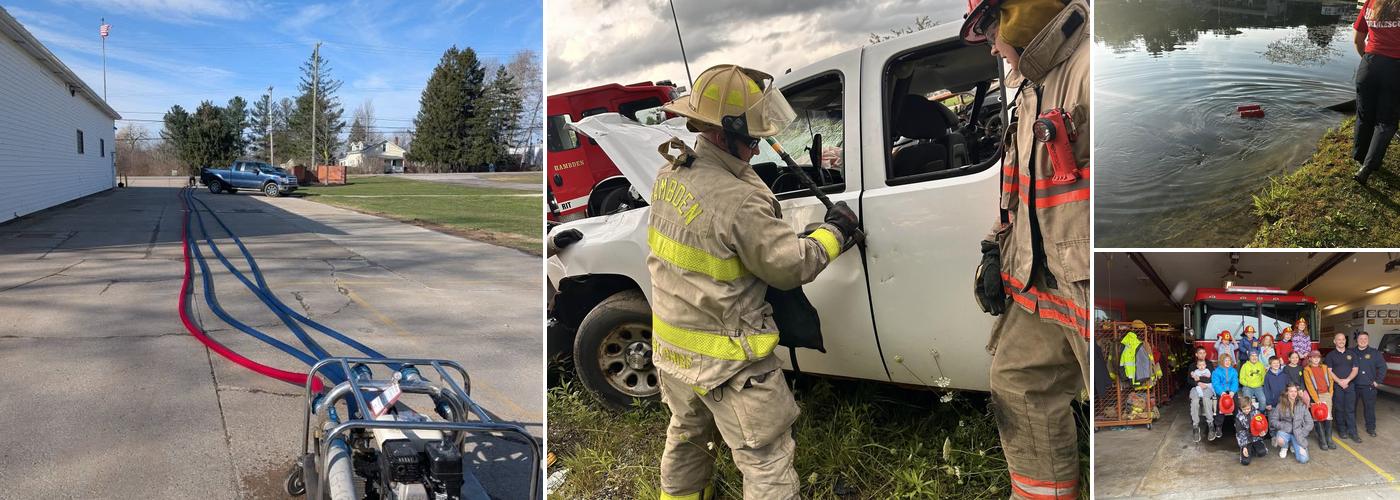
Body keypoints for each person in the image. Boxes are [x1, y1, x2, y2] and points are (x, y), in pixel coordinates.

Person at [648, 63, 862, 499]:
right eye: (752, 139)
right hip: (729, 359)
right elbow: (790, 266)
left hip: (673, 349)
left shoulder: (670, 175)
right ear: (724, 132)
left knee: (688, 436)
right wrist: (835, 232)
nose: (758, 149)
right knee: (766, 458)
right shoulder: (740, 199)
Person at [963, 0, 1090, 496]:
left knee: (1113, 408)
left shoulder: (1086, 71)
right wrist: (997, 248)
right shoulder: (1036, 86)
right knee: (1017, 381)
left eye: (992, 27)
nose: (994, 45)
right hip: (1043, 282)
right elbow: (1022, 191)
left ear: (1022, 11)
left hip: (1085, 290)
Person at [1351, 0, 1400, 184]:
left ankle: (1359, 156)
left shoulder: (1371, 2)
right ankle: (1368, 166)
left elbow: (1358, 39)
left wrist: (1368, 61)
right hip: (1395, 67)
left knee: (1364, 114)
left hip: (1369, 65)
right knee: (1386, 122)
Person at [1325, 333, 1361, 444]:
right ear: (1334, 341)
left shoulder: (1352, 354)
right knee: (1339, 409)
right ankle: (1342, 430)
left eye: (1343, 339)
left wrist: (1347, 380)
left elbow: (1355, 369)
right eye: (1339, 340)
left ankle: (1353, 432)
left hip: (1350, 385)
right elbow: (1329, 371)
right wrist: (1340, 382)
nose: (1341, 341)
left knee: (1350, 409)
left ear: (1345, 341)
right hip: (1337, 386)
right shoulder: (1330, 355)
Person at [1353, 331, 1389, 438]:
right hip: (1353, 386)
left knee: (1369, 408)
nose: (1363, 341)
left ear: (1368, 340)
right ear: (1357, 340)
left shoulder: (1375, 353)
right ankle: (1351, 427)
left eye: (1365, 339)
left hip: (1369, 386)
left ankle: (1371, 428)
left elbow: (1383, 367)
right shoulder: (1351, 352)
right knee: (1350, 408)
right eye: (1360, 339)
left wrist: (1378, 381)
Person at [1269, 383, 1314, 464]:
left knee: (1304, 460)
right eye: (1291, 391)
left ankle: (1293, 444)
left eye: (1295, 391)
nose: (1293, 394)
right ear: (1287, 392)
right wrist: (1285, 426)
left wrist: (1302, 433)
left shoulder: (1302, 405)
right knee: (1280, 439)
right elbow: (1273, 420)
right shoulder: (1280, 405)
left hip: (1298, 434)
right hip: (1285, 432)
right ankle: (1285, 447)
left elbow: (1310, 423)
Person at [1303, 350, 1337, 450]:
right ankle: (1322, 440)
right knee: (1318, 417)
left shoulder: (1325, 367)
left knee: (1328, 417)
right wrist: (1316, 399)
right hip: (1316, 395)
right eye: (1314, 357)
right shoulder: (1307, 370)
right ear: (1310, 358)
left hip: (1326, 394)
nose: (1316, 359)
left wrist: (1330, 393)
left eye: (1318, 357)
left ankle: (1329, 439)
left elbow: (1331, 381)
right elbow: (1309, 385)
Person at [1211, 354, 1240, 441]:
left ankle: (1238, 423)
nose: (1227, 362)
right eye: (1225, 360)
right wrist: (1222, 392)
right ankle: (1218, 426)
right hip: (1222, 391)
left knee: (1236, 405)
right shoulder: (1216, 371)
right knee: (1220, 406)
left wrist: (1232, 391)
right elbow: (1216, 383)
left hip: (1231, 390)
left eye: (1229, 360)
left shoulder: (1233, 371)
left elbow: (1235, 382)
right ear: (1221, 361)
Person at [1236, 396, 1270, 466]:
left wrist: (1263, 432)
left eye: (1248, 408)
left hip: (1256, 438)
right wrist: (1244, 446)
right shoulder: (1238, 417)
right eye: (1244, 409)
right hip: (1246, 440)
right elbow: (1240, 433)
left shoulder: (1257, 413)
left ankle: (1254, 448)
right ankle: (1246, 449)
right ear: (1240, 408)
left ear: (1251, 405)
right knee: (1245, 462)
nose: (1246, 411)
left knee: (1262, 453)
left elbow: (1263, 425)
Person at [1189, 359, 1216, 442]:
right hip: (1196, 388)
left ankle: (1210, 424)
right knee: (1194, 401)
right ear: (1196, 355)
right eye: (1200, 353)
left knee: (1206, 399)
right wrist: (1197, 383)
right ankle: (1195, 426)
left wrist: (1199, 379)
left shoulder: (1209, 366)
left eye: (1203, 353)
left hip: (1207, 387)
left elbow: (1211, 379)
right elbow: (1189, 380)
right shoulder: (1192, 367)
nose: (1202, 355)